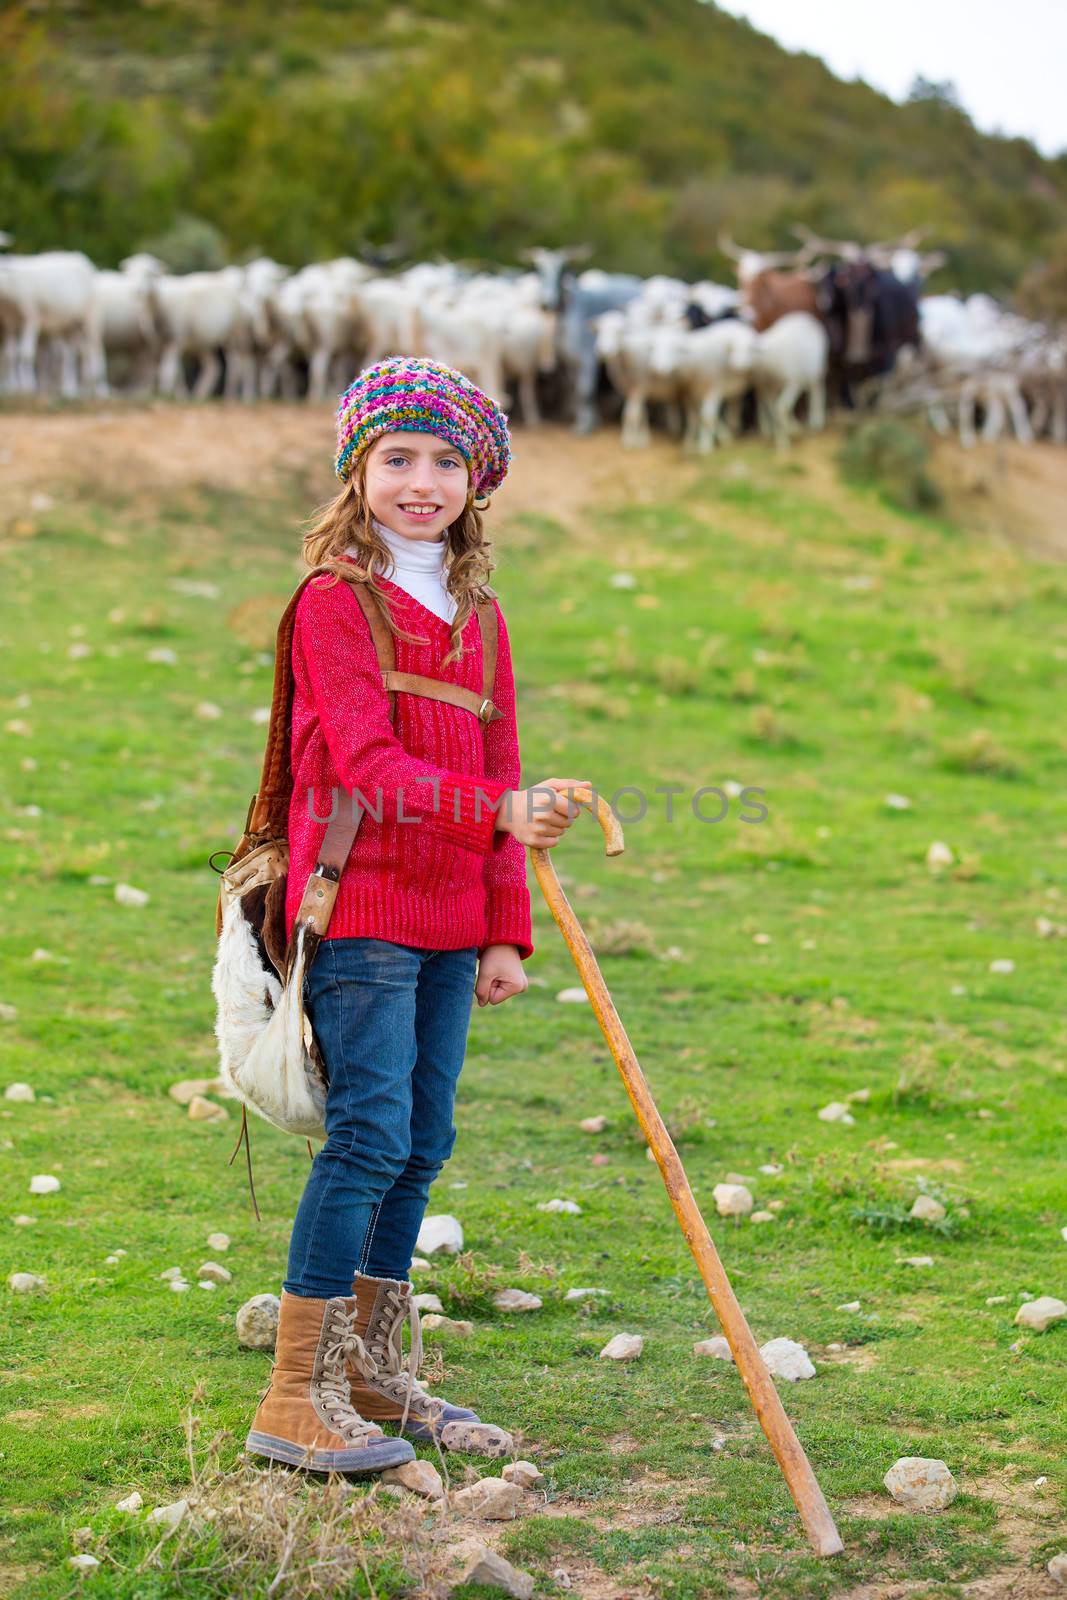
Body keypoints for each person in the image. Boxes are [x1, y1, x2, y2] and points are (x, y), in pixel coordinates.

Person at [246, 356, 588, 1475]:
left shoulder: (479, 614)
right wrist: (496, 806)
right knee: (367, 1137)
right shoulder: (334, 602)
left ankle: (373, 1372)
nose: (420, 480)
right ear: (357, 469)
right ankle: (293, 1393)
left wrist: (502, 927)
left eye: (446, 461)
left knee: (422, 1141)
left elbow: (505, 771)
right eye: (397, 457)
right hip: (362, 905)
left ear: (476, 482)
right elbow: (366, 763)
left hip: (451, 920)